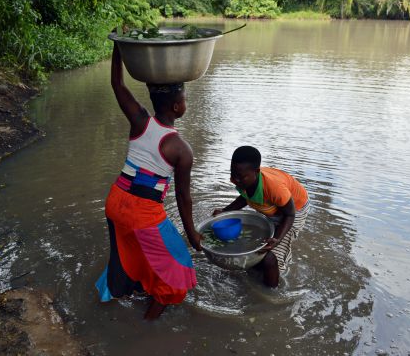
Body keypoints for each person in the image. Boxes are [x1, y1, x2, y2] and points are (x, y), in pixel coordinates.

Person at [95, 45, 202, 320]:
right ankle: (147, 328)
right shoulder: (181, 149)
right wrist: (192, 236)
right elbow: (183, 198)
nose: (185, 103)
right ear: (178, 106)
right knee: (178, 272)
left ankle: (130, 293)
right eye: (185, 98)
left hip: (115, 201)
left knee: (130, 251)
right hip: (141, 213)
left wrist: (118, 47)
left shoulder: (140, 119)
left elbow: (117, 83)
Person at [213, 146, 310, 288]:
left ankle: (272, 292)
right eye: (233, 174)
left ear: (256, 172)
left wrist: (276, 239)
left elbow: (290, 214)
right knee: (255, 245)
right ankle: (255, 274)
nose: (236, 180)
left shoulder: (274, 187)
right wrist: (225, 211)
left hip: (294, 209)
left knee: (270, 255)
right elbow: (245, 197)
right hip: (273, 208)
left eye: (240, 177)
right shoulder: (243, 178)